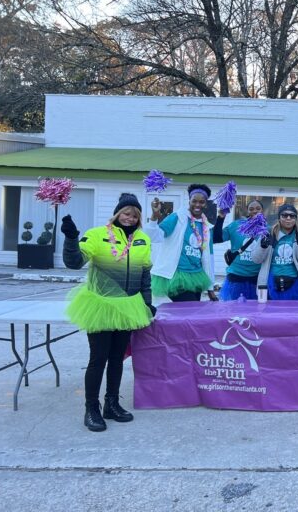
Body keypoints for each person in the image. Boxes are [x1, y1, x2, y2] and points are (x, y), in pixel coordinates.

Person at [60, 193, 154, 432]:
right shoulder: (96, 235)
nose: (130, 218)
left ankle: (111, 404)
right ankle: (91, 407)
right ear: (117, 214)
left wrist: (147, 303)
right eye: (126, 213)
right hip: (100, 305)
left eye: (134, 215)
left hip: (128, 307)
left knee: (117, 359)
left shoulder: (143, 239)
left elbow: (145, 276)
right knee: (98, 358)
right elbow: (74, 262)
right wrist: (71, 238)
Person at [147, 184, 217, 302]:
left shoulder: (206, 226)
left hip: (197, 276)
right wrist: (154, 216)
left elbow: (207, 259)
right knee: (190, 309)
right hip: (176, 276)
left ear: (206, 204)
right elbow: (154, 236)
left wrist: (210, 289)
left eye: (202, 202)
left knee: (191, 315)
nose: (197, 205)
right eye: (194, 201)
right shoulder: (177, 217)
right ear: (189, 201)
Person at [253, 203, 298, 300]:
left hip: (294, 283)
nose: (288, 218)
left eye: (292, 216)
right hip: (271, 283)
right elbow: (256, 259)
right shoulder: (269, 233)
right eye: (284, 215)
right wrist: (263, 246)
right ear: (279, 217)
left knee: (293, 314)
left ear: (296, 218)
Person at [214, 199, 264, 301]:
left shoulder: (268, 229)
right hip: (236, 277)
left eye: (258, 208)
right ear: (247, 211)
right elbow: (216, 238)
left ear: (262, 211)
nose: (255, 211)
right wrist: (221, 217)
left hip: (256, 278)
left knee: (254, 313)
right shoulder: (236, 225)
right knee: (234, 312)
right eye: (251, 209)